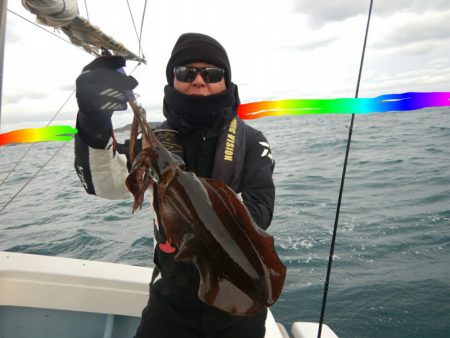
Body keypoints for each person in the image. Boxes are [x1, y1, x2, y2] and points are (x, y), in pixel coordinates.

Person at [74, 33, 275, 338]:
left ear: (225, 82)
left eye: (212, 73)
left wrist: (191, 202)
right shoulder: (151, 143)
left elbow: (260, 211)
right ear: (173, 80)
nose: (198, 80)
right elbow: (105, 184)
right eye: (185, 73)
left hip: (240, 302)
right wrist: (93, 120)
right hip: (170, 303)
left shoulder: (252, 141)